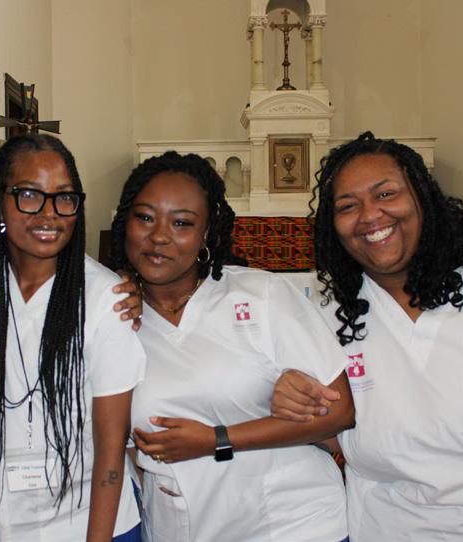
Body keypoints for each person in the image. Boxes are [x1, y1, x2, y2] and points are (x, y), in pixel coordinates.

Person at [270, 132, 463, 541]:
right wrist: (296, 400)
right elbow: (334, 430)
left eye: (386, 194)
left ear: (422, 196)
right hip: (392, 527)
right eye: (347, 206)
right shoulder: (326, 309)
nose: (370, 215)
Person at [109, 151, 356, 542]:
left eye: (182, 222)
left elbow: (340, 411)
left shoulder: (261, 293)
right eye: (145, 217)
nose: (159, 236)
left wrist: (217, 439)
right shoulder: (112, 316)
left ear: (207, 233)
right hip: (182, 527)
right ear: (125, 222)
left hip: (292, 525)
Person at [0, 134, 145, 542]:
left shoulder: (106, 298)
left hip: (88, 521)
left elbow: (111, 448)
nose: (49, 213)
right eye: (29, 195)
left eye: (64, 198)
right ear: (0, 200)